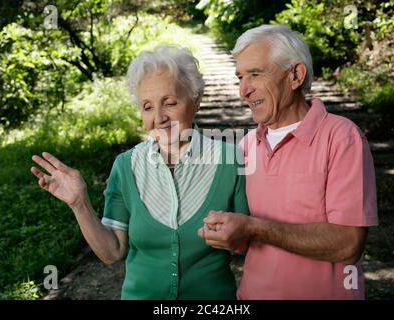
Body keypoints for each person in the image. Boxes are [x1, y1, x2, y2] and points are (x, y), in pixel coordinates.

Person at [30, 45, 249, 300]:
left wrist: (234, 236)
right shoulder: (125, 166)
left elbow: (247, 243)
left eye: (170, 103)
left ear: (196, 99)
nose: (159, 117)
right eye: (147, 107)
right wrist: (79, 204)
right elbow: (112, 252)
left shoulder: (230, 160)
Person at [198, 24, 378, 299]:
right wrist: (225, 229)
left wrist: (253, 226)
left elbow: (348, 243)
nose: (243, 90)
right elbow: (244, 238)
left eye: (255, 74)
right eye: (240, 77)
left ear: (295, 75)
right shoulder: (246, 147)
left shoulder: (342, 137)